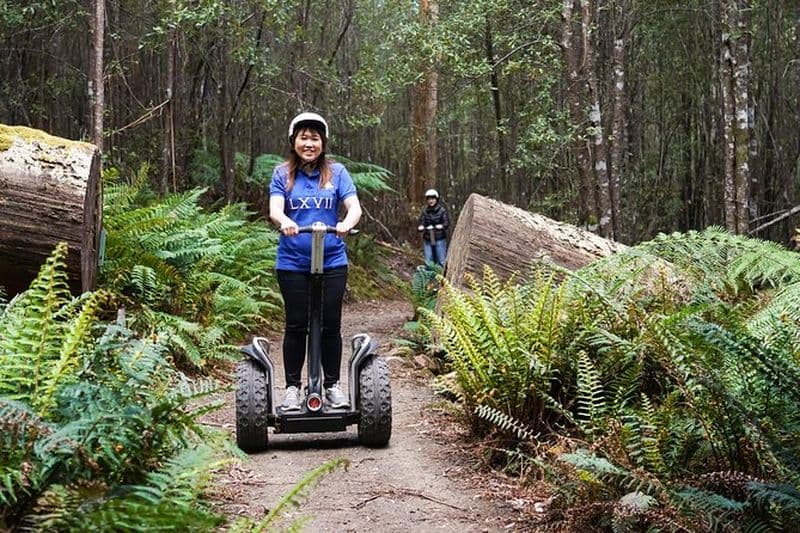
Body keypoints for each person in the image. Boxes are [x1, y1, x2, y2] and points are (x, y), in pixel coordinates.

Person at [269, 112, 362, 411]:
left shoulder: (337, 172)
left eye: (315, 138)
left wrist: (346, 223)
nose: (309, 143)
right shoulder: (282, 174)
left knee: (330, 325)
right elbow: (275, 209)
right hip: (293, 262)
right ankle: (293, 388)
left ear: (323, 142)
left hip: (332, 259)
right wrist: (285, 221)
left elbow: (354, 207)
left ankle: (333, 385)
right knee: (296, 325)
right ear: (294, 140)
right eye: (303, 137)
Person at [417, 188, 449, 267]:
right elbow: (422, 222)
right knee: (428, 260)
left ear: (436, 199)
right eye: (429, 199)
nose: (431, 201)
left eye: (433, 198)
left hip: (439, 238)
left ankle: (441, 277)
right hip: (428, 238)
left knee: (441, 260)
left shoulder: (442, 211)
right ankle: (429, 277)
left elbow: (446, 223)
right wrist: (421, 227)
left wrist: (441, 226)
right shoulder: (425, 211)